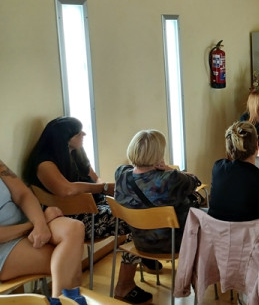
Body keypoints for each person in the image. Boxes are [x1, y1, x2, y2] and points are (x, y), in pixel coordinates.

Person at [22, 117, 153, 304]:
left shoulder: (76, 153)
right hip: (71, 219)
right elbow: (66, 189)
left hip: (93, 209)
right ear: (65, 138)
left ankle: (142, 253)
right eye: (78, 133)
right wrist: (103, 188)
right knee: (137, 220)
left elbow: (94, 178)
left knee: (138, 209)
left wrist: (111, 188)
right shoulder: (44, 163)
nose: (83, 134)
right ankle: (125, 285)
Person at [114, 130, 201, 302]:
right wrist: (168, 168)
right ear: (158, 154)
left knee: (140, 224)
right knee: (198, 202)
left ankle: (124, 284)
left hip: (139, 240)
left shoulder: (121, 174)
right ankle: (197, 281)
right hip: (176, 242)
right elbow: (195, 181)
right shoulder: (170, 178)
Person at [0, 159, 87, 305]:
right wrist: (34, 225)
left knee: (74, 229)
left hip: (27, 224)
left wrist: (39, 223)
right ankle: (64, 301)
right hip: (4, 245)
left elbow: (23, 194)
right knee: (69, 264)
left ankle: (60, 301)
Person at [208, 121, 259, 223]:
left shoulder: (218, 168)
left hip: (217, 235)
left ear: (230, 149)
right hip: (254, 237)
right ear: (257, 146)